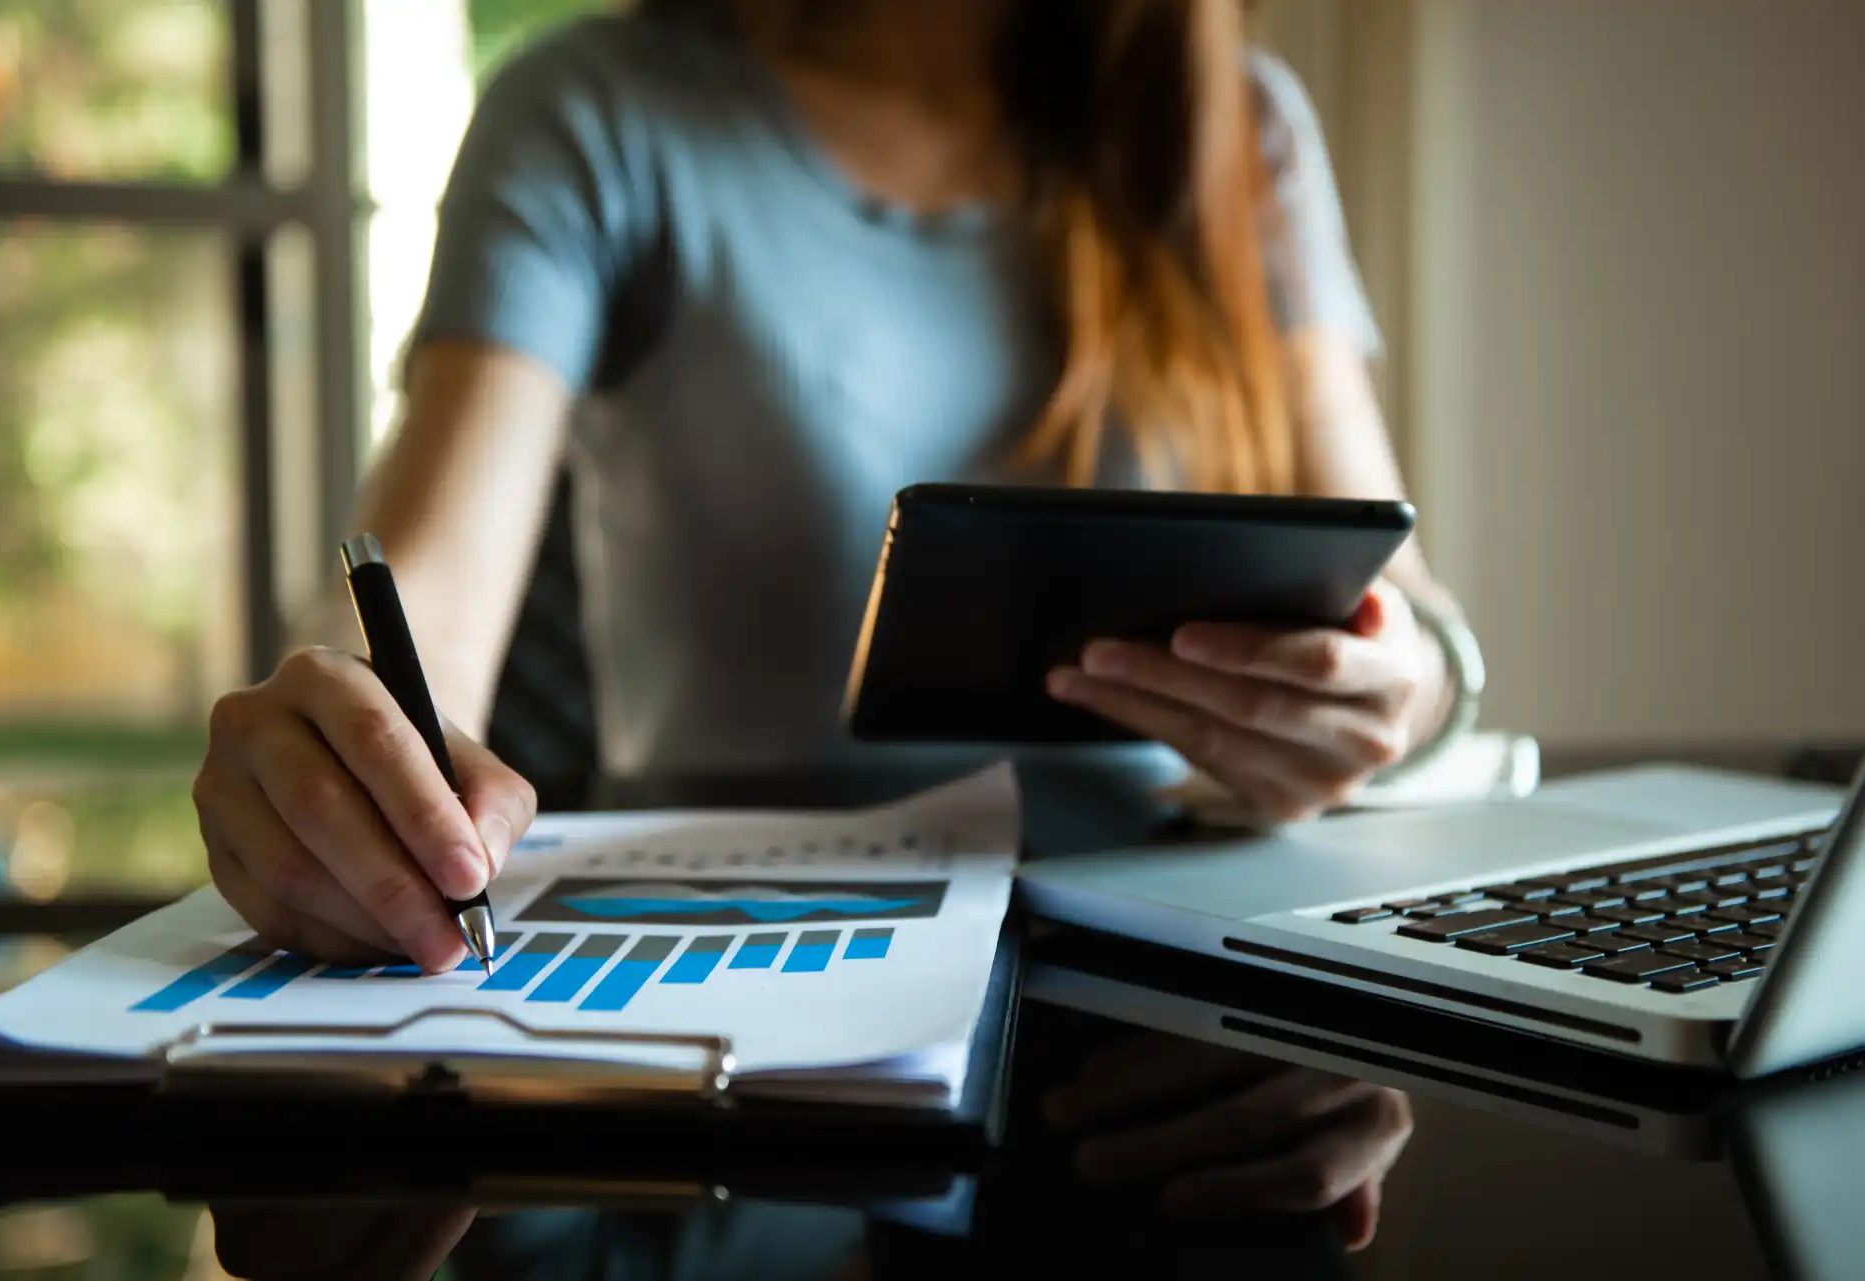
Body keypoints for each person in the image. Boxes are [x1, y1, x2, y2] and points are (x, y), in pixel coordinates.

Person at [190, 0, 1434, 1236]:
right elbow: (426, 601)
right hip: (733, 1011)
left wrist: (1400, 689)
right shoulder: (594, 109)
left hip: (1182, 999)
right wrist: (340, 740)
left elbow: (1407, 619)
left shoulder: (1241, 125)